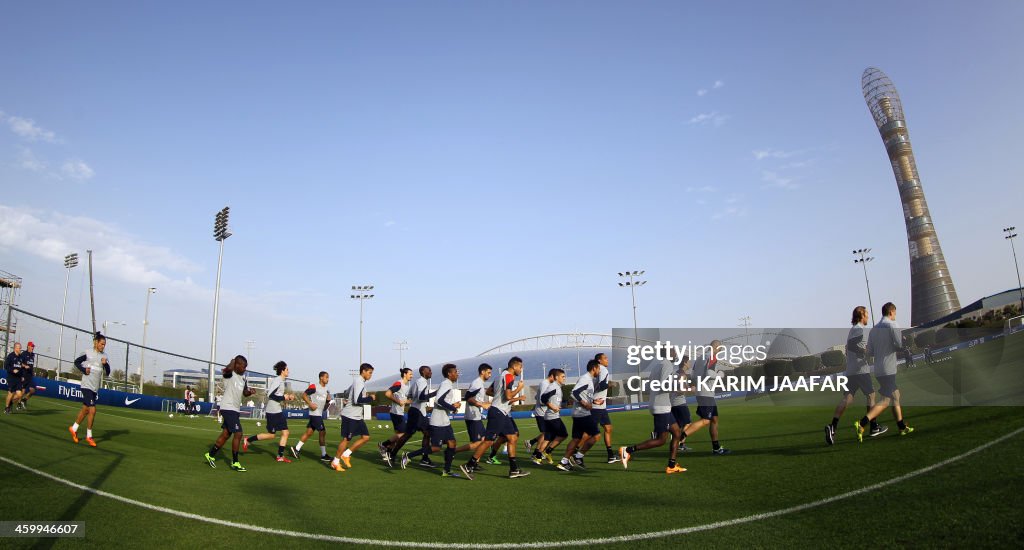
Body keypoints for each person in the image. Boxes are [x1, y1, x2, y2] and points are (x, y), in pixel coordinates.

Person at [460, 356, 529, 479]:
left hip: (503, 412)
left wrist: (499, 395)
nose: (521, 369)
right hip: (498, 412)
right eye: (520, 367)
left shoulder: (499, 376)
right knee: (488, 441)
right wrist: (519, 389)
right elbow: (508, 397)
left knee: (512, 438)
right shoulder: (508, 376)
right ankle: (469, 465)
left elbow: (489, 391)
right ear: (514, 366)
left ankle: (514, 470)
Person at [855, 302, 914, 441]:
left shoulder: (874, 330)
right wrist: (902, 342)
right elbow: (899, 344)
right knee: (886, 400)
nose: (895, 316)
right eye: (895, 313)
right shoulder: (892, 325)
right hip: (888, 368)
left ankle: (901, 427)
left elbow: (869, 352)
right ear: (892, 312)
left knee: (896, 396)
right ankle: (862, 423)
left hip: (879, 369)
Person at [826, 306, 885, 445]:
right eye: (866, 314)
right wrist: (864, 352)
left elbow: (849, 347)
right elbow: (852, 346)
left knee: (848, 398)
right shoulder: (859, 329)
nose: (868, 317)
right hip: (860, 370)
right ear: (861, 315)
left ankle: (832, 427)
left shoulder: (853, 330)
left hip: (851, 370)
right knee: (871, 396)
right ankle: (874, 427)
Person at [619, 354, 687, 474]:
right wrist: (677, 389)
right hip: (662, 407)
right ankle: (628, 450)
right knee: (661, 440)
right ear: (669, 354)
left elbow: (649, 385)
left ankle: (671, 465)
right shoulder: (667, 365)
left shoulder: (658, 365)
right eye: (674, 351)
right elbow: (662, 384)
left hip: (661, 405)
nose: (676, 354)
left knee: (677, 433)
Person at [410, 364, 465, 477]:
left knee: (452, 443)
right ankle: (409, 455)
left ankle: (446, 470)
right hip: (438, 422)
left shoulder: (448, 384)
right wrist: (453, 408)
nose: (457, 374)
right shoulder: (446, 384)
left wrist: (453, 405)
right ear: (449, 374)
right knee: (436, 448)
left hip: (445, 421)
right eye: (455, 372)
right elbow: (439, 401)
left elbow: (442, 401)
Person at [678, 340, 731, 455]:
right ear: (716, 347)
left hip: (703, 392)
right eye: (720, 349)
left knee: (714, 419)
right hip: (706, 393)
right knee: (706, 420)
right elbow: (709, 374)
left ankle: (716, 448)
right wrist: (720, 375)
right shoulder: (712, 356)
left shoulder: (700, 358)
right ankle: (681, 437)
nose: (719, 351)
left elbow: (692, 374)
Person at [204, 355, 255, 471]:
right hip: (228, 408)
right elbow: (226, 369)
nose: (245, 369)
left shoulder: (243, 378)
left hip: (235, 409)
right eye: (243, 366)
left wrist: (250, 392)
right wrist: (233, 361)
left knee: (226, 434)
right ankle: (235, 462)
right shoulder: (230, 375)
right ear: (237, 365)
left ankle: (210, 455)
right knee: (238, 433)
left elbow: (245, 393)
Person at [556, 359, 603, 472]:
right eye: (599, 369)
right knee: (596, 436)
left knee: (576, 439)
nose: (600, 371)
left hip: (578, 413)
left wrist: (593, 401)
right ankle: (578, 457)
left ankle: (564, 462)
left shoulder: (588, 380)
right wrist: (585, 403)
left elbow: (583, 395)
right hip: (582, 414)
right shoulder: (585, 379)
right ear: (594, 368)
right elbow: (574, 393)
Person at [243, 361, 295, 462]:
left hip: (277, 411)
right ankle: (248, 440)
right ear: (282, 370)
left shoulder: (282, 381)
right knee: (274, 435)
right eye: (287, 369)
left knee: (283, 433)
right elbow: (270, 395)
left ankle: (279, 456)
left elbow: (278, 396)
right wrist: (285, 396)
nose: (289, 371)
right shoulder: (277, 380)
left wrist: (286, 397)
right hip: (272, 411)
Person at [331, 363, 376, 472]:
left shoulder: (360, 382)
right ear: (363, 371)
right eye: (370, 373)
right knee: (346, 439)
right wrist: (370, 398)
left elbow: (347, 393)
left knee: (365, 437)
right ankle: (335, 462)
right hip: (350, 415)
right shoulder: (359, 381)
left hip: (357, 416)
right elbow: (357, 400)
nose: (371, 375)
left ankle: (346, 455)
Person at [68, 333, 111, 446]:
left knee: (85, 410)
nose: (103, 346)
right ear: (96, 343)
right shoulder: (88, 352)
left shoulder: (104, 356)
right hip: (86, 385)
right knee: (93, 410)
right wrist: (83, 370)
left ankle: (74, 428)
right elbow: (76, 362)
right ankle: (89, 436)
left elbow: (108, 372)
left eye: (104, 344)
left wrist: (105, 364)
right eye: (102, 344)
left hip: (94, 388)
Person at [393, 366, 436, 469]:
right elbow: (421, 397)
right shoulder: (422, 382)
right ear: (423, 372)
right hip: (418, 413)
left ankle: (392, 454)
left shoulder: (417, 382)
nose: (431, 372)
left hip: (415, 411)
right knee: (427, 433)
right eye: (429, 370)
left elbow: (410, 395)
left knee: (408, 434)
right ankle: (424, 459)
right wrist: (435, 393)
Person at [378, 367, 413, 467]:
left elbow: (402, 400)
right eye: (410, 374)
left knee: (398, 437)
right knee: (403, 434)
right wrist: (398, 402)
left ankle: (389, 453)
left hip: (399, 413)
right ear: (405, 374)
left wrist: (410, 401)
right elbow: (387, 393)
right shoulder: (399, 383)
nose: (412, 376)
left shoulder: (405, 386)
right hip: (396, 413)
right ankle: (384, 445)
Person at [293, 370, 332, 461]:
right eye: (326, 377)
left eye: (328, 377)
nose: (328, 379)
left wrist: (327, 401)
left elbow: (325, 408)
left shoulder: (326, 391)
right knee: (322, 432)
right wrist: (310, 404)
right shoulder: (314, 386)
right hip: (315, 414)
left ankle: (296, 448)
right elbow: (304, 395)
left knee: (309, 433)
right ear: (321, 377)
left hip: (319, 414)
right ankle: (323, 455)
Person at [461, 364, 493, 472]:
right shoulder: (477, 383)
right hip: (472, 417)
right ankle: (452, 451)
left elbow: (475, 399)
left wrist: (486, 403)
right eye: (488, 372)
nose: (490, 374)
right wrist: (482, 405)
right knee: (478, 443)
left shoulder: (481, 384)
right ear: (482, 372)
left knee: (484, 440)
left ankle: (474, 463)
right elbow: (468, 398)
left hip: (476, 416)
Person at [534, 368, 567, 464]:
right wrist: (552, 406)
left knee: (547, 437)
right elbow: (543, 398)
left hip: (549, 416)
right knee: (563, 435)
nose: (564, 378)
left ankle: (538, 456)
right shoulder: (554, 386)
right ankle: (548, 451)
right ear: (557, 377)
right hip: (552, 417)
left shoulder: (556, 386)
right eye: (562, 377)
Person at [592, 352, 618, 463]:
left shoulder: (597, 370)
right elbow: (602, 386)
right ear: (599, 360)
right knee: (588, 434)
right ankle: (574, 455)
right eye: (605, 358)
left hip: (601, 406)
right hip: (596, 406)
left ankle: (610, 456)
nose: (607, 360)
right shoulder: (603, 369)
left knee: (608, 428)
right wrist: (611, 384)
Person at [525, 369, 555, 458]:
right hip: (542, 413)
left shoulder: (547, 384)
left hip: (545, 412)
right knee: (546, 433)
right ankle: (536, 453)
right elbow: (542, 400)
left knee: (548, 433)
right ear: (552, 376)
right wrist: (552, 405)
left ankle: (532, 443)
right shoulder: (545, 383)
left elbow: (537, 396)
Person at [4, 342, 24, 414]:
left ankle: (10, 404)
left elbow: (21, 368)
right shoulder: (10, 356)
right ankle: (6, 408)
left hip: (18, 378)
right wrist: (12, 370)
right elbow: (6, 366)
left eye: (20, 348)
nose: (20, 349)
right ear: (15, 348)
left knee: (20, 395)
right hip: (11, 378)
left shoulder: (21, 357)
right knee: (11, 393)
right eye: (19, 348)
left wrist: (22, 376)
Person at [18, 341, 37, 410]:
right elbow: (19, 362)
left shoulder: (33, 355)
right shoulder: (24, 354)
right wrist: (25, 366)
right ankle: (19, 403)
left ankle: (24, 400)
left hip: (30, 375)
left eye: (33, 346)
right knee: (22, 391)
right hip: (24, 374)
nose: (32, 347)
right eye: (31, 346)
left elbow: (31, 365)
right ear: (28, 346)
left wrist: (33, 371)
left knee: (33, 390)